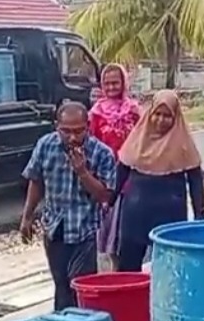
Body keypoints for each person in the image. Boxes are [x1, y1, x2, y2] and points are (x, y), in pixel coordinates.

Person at [20, 102, 117, 309]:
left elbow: (105, 196)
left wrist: (83, 172)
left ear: (88, 127)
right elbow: (36, 180)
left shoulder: (102, 153)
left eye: (78, 131)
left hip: (86, 231)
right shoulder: (45, 145)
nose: (72, 138)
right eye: (66, 131)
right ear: (57, 126)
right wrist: (27, 216)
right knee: (61, 285)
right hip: (55, 229)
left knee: (80, 286)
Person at [113, 90, 204, 271]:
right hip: (136, 212)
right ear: (150, 113)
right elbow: (121, 172)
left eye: (167, 116)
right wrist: (107, 200)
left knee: (169, 266)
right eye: (157, 114)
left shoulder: (183, 143)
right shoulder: (137, 139)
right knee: (129, 265)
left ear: (176, 117)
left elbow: (195, 180)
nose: (161, 120)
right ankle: (131, 299)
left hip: (170, 214)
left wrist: (199, 215)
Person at [90, 63, 142, 270]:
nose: (111, 87)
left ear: (124, 83)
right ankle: (114, 269)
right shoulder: (95, 113)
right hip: (107, 178)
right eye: (107, 83)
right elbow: (91, 144)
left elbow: (143, 138)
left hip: (132, 178)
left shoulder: (134, 110)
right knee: (109, 231)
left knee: (128, 232)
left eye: (115, 83)